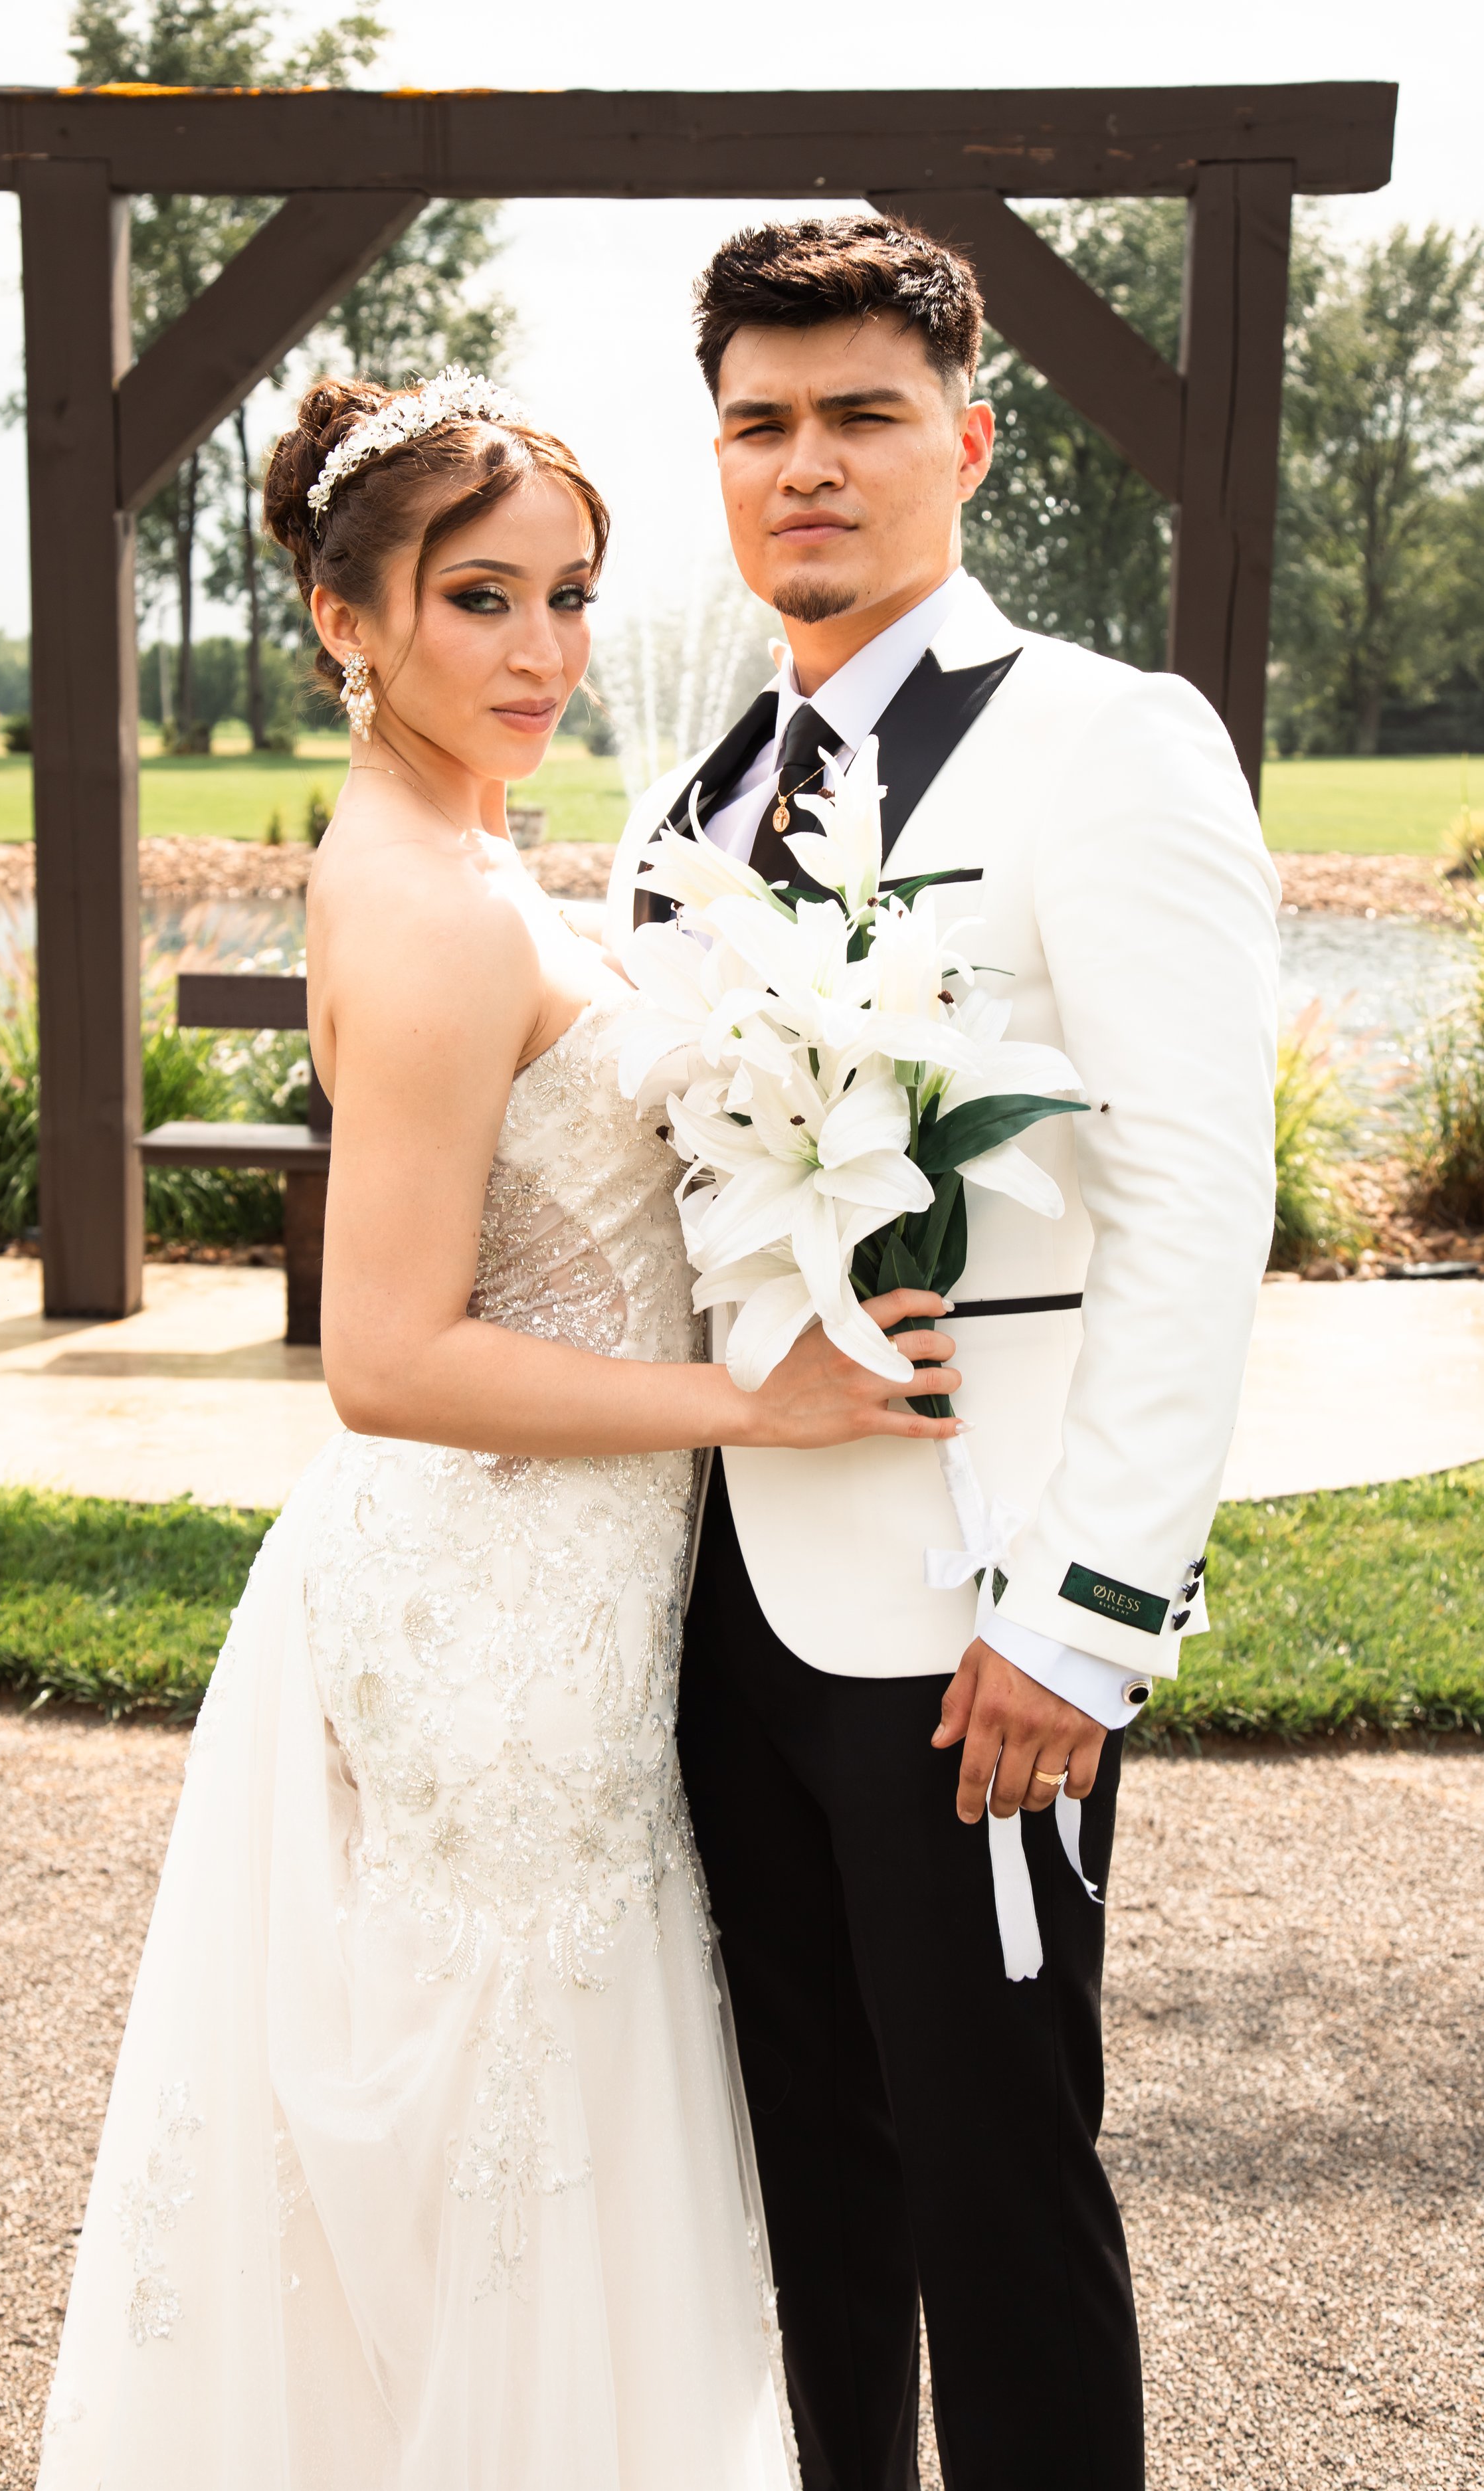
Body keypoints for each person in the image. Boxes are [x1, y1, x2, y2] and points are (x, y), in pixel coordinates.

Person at [37, 369, 963, 2491]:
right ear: (347, 621)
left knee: (518, 2132)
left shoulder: (471, 846)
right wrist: (756, 1400)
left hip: (564, 1581)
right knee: (507, 2143)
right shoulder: (439, 906)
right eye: (481, 602)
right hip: (489, 1603)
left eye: (569, 596)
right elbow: (386, 1357)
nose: (544, 651)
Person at [606, 218, 1281, 2491]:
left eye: (860, 417)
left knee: (997, 2183)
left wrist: (1085, 1623)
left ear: (965, 443)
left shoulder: (1104, 742)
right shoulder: (689, 809)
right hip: (721, 1611)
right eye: (759, 426)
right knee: (806, 2182)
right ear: (718, 463)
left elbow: (1199, 1201)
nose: (806, 465)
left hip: (970, 1618)